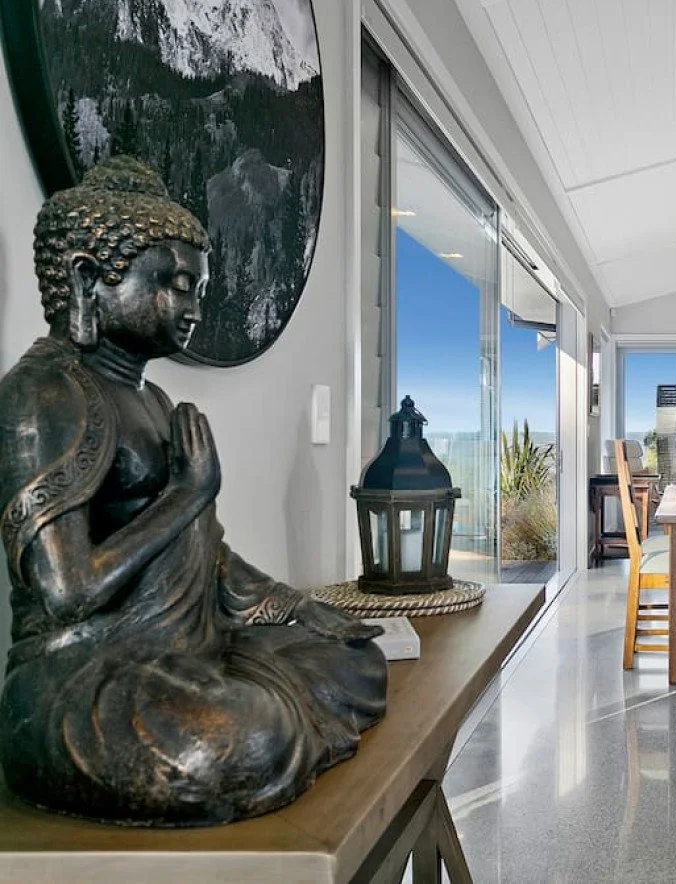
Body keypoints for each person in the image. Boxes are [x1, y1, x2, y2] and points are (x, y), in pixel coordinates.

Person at [0, 156, 386, 827]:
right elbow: (67, 592)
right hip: (85, 674)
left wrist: (299, 608)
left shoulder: (151, 398)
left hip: (185, 652)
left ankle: (269, 718)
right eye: (176, 285)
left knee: (357, 661)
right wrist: (187, 494)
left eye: (198, 289)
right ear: (89, 278)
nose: (194, 309)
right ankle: (269, 730)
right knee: (234, 737)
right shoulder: (45, 394)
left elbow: (208, 555)